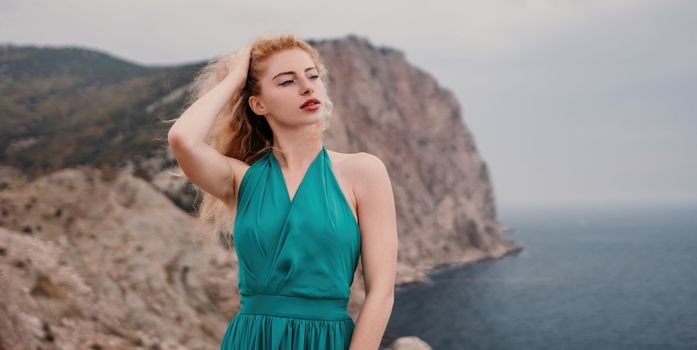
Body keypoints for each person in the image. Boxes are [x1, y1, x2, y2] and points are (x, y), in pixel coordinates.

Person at [167, 34, 398, 349]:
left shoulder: (363, 172)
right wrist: (236, 78)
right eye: (287, 81)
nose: (307, 87)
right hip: (251, 340)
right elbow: (182, 139)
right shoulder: (240, 180)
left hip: (326, 341)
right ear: (258, 104)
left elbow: (381, 292)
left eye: (312, 75)